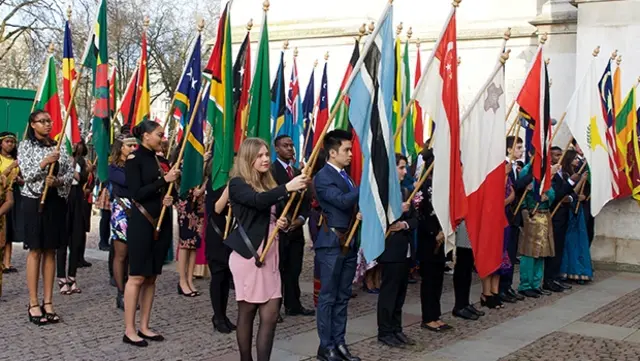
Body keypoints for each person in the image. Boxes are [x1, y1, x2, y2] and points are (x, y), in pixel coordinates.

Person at [224, 137, 308, 361]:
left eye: (265, 154)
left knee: (270, 316)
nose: (264, 159)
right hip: (250, 257)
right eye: (259, 155)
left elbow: (272, 210)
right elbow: (258, 201)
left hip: (271, 254)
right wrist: (286, 187)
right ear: (248, 158)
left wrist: (281, 221)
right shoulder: (238, 183)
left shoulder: (268, 181)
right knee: (247, 312)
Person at [122, 120, 180, 347]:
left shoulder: (161, 160)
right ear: (145, 136)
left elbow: (169, 190)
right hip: (142, 221)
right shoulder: (134, 160)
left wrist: (170, 192)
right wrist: (162, 182)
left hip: (162, 221)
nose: (162, 138)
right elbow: (136, 193)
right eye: (159, 134)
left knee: (152, 276)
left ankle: (145, 325)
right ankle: (129, 329)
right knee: (137, 275)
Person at [19, 110, 73, 325]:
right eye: (42, 121)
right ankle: (33, 303)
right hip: (34, 201)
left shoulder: (57, 146)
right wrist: (44, 163)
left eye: (49, 121)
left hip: (55, 201)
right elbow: (27, 173)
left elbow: (70, 173)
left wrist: (58, 182)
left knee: (51, 250)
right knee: (35, 250)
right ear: (33, 124)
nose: (48, 125)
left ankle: (48, 301)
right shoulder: (25, 146)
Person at [313, 129, 361, 361]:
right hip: (332, 243)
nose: (351, 154)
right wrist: (365, 188)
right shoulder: (323, 177)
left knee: (343, 296)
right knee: (328, 297)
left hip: (348, 242)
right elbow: (341, 202)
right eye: (346, 150)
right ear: (332, 153)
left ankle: (339, 342)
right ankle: (326, 345)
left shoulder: (346, 176)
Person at [271, 135, 314, 319]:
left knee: (294, 269)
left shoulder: (298, 173)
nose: (290, 148)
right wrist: (284, 218)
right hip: (279, 227)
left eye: (291, 145)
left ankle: (293, 304)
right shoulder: (270, 172)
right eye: (285, 145)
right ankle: (274, 308)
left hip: (295, 229)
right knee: (277, 270)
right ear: (276, 149)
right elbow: (272, 196)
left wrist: (301, 218)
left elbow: (305, 201)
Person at [376, 154, 417, 347]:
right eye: (401, 167)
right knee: (389, 292)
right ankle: (384, 331)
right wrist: (397, 211)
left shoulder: (406, 190)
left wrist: (405, 224)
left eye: (405, 167)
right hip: (390, 250)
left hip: (405, 249)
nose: (405, 171)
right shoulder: (383, 193)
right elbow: (378, 218)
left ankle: (396, 328)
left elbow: (415, 220)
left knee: (401, 292)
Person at [415, 148, 452, 332]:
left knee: (438, 279)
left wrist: (445, 230)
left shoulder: (441, 186)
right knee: (429, 279)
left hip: (441, 235)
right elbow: (420, 215)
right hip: (428, 239)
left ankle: (436, 315)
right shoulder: (422, 186)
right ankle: (427, 317)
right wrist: (433, 233)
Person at [517, 150, 557, 299]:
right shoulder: (527, 170)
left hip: (545, 214)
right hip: (532, 215)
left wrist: (548, 196)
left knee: (542, 252)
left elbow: (551, 191)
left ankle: (535, 283)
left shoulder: (545, 170)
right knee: (530, 253)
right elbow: (523, 192)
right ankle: (525, 284)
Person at [205, 149, 235, 333]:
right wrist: (229, 191)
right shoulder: (214, 184)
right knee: (218, 276)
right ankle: (217, 316)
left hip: (230, 234)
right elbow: (216, 208)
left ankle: (223, 315)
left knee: (226, 278)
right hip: (217, 234)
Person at [56, 139, 91, 295]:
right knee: (62, 241)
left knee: (76, 239)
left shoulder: (82, 161)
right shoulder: (59, 159)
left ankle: (72, 276)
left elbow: (82, 178)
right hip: (64, 198)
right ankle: (61, 277)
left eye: (79, 143)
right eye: (74, 143)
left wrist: (77, 171)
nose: (76, 146)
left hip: (77, 198)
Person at [544, 148, 579, 293]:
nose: (560, 157)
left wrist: (570, 198)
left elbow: (572, 195)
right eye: (556, 155)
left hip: (564, 216)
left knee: (560, 249)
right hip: (555, 216)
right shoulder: (550, 176)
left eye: (560, 154)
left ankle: (556, 277)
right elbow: (557, 195)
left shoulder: (563, 173)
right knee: (553, 249)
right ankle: (548, 279)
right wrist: (571, 182)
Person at [109, 134, 138, 310]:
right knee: (121, 254)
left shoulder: (136, 164)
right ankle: (121, 291)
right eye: (130, 146)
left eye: (135, 146)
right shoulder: (114, 168)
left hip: (138, 209)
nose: (134, 149)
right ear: (121, 148)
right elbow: (129, 182)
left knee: (134, 253)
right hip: (122, 210)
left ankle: (132, 290)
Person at [498, 136, 528, 303]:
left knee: (511, 251)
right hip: (505, 216)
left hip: (514, 217)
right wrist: (529, 177)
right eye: (518, 147)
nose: (521, 150)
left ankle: (507, 286)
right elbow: (511, 188)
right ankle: (501, 287)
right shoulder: (504, 166)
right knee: (505, 252)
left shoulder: (516, 167)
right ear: (509, 149)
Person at [559, 151, 593, 283]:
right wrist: (580, 180)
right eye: (574, 159)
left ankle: (579, 270)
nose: (577, 161)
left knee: (579, 240)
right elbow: (571, 191)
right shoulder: (567, 174)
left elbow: (580, 192)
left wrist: (583, 196)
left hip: (577, 209)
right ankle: (568, 270)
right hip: (569, 210)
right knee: (570, 242)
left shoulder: (575, 171)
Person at [452, 220, 485, 317]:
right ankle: (459, 305)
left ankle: (465, 303)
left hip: (473, 225)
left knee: (468, 269)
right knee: (462, 267)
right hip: (463, 225)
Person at [0, 132, 21, 274]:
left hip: (13, 195)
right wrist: (10, 167)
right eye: (7, 141)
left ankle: (7, 262)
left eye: (12, 142)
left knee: (10, 232)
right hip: (1, 196)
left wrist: (20, 180)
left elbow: (23, 179)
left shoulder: (17, 159)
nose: (10, 144)